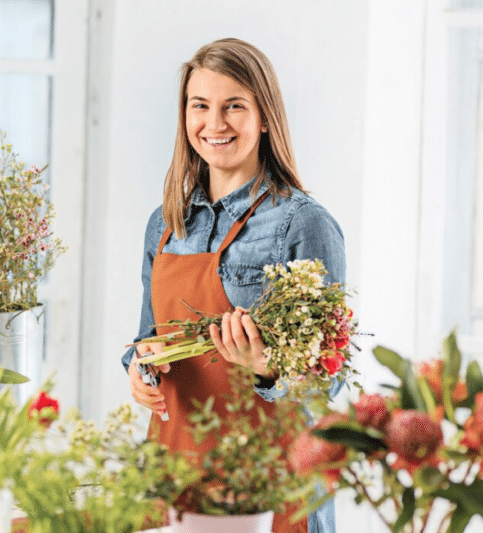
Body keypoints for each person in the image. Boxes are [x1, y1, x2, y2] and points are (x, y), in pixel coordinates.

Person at [121, 38, 345, 533]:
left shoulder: (302, 224)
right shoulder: (165, 223)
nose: (214, 123)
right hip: (174, 474)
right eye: (200, 105)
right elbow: (146, 339)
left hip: (270, 485)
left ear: (265, 116)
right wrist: (141, 370)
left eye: (234, 106)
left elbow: (329, 382)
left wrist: (267, 369)